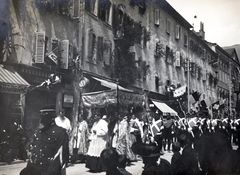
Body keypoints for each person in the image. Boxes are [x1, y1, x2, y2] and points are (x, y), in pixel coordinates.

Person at [20, 107, 69, 175]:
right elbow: (34, 154)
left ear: (51, 117)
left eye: (44, 117)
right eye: (41, 117)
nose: (41, 120)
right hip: (35, 170)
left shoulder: (61, 133)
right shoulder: (40, 132)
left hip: (49, 171)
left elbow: (60, 158)